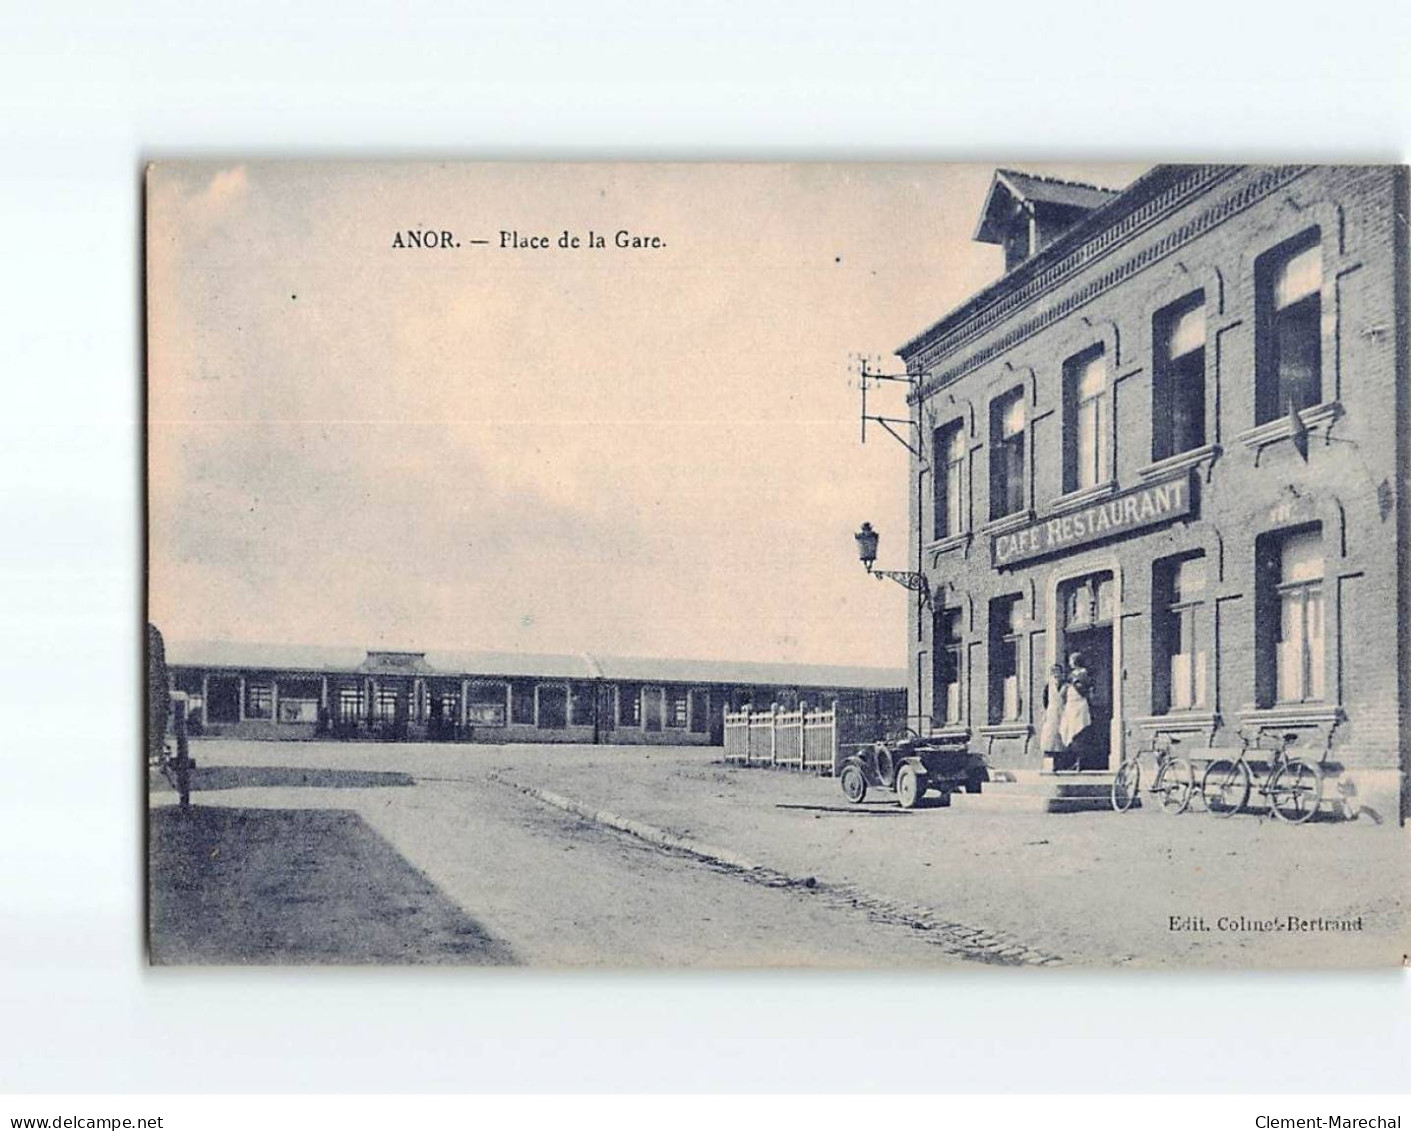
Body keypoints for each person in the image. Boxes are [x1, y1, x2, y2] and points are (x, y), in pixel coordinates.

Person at [1060, 652, 1093, 771]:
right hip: (1071, 705)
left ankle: (1080, 762)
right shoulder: (1071, 674)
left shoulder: (1084, 673)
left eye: (1071, 660)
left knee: (1079, 733)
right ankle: (1073, 760)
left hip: (1079, 705)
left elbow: (1086, 687)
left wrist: (1075, 683)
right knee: (1069, 731)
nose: (1070, 663)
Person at [1039, 663, 1068, 771]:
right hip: (1052, 713)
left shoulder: (1065, 685)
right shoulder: (1048, 686)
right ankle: (1052, 762)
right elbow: (1045, 700)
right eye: (1054, 672)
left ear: (1062, 673)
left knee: (1063, 736)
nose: (1056, 674)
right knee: (1051, 736)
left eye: (1058, 672)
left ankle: (1063, 763)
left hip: (1063, 712)